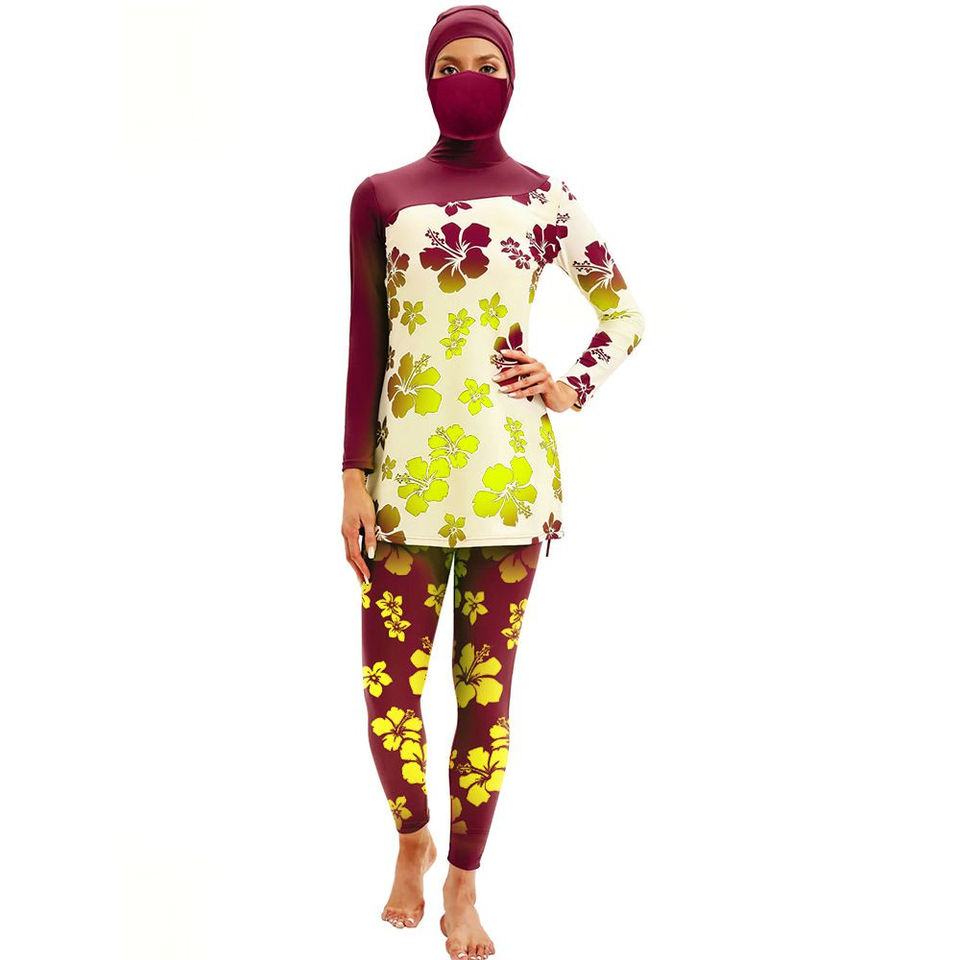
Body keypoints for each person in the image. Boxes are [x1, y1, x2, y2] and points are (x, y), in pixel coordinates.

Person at [341, 6, 645, 958]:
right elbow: (366, 345)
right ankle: (413, 839)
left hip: (509, 484)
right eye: (448, 64)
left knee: (485, 693)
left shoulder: (544, 197)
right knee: (389, 690)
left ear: (511, 77)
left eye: (486, 63)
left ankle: (464, 883)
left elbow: (623, 313)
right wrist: (352, 476)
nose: (467, 78)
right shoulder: (382, 197)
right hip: (403, 487)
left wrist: (567, 384)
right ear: (425, 76)